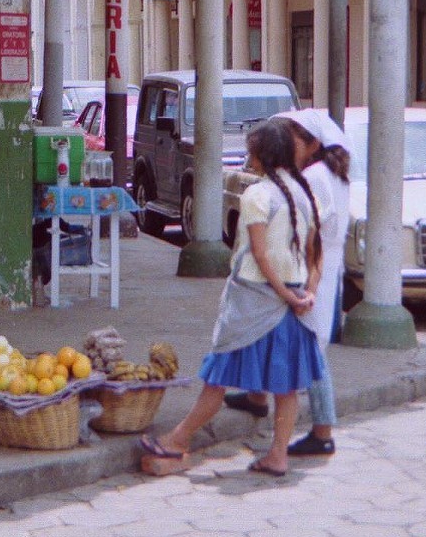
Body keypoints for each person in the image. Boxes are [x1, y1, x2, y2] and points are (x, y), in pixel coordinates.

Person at [139, 120, 325, 476]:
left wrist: (285, 293)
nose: (247, 156)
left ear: (263, 155)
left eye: (251, 149)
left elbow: (259, 255)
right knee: (286, 389)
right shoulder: (306, 196)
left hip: (253, 301)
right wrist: (305, 294)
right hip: (293, 304)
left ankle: (179, 439)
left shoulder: (257, 195)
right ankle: (278, 455)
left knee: (218, 377)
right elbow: (317, 256)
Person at [224, 109, 351, 457]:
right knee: (275, 329)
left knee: (309, 347)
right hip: (314, 267)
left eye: (290, 137)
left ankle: (322, 429)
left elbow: (311, 236)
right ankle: (256, 395)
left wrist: (302, 282)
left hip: (309, 269)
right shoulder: (328, 174)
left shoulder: (315, 178)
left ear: (310, 144)